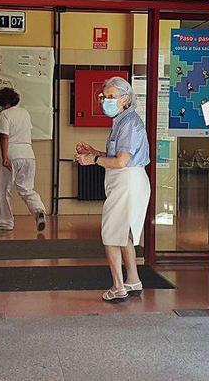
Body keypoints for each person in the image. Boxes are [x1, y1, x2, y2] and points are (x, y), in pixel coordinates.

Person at [74, 77, 150, 303]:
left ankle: (118, 287)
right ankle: (133, 281)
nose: (104, 101)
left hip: (126, 182)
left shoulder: (128, 123)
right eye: (103, 97)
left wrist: (93, 159)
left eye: (110, 97)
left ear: (125, 99)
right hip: (129, 181)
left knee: (110, 235)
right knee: (123, 233)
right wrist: (94, 152)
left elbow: (121, 161)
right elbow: (117, 157)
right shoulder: (123, 121)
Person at [0, 87, 47, 232]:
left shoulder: (5, 114)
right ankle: (39, 211)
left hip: (11, 153)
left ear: (4, 102)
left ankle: (5, 222)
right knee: (27, 188)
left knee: (5, 190)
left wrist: (5, 157)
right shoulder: (24, 113)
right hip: (28, 154)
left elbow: (4, 136)